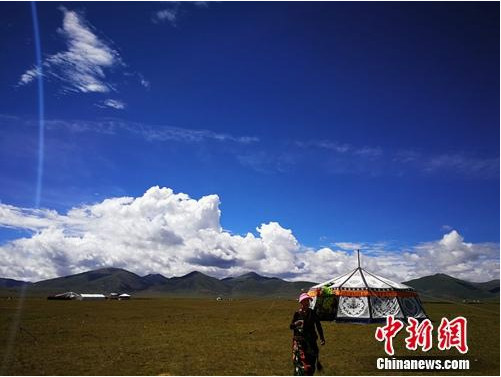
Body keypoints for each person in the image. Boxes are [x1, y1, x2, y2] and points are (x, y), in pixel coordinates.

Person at [290, 293, 325, 375]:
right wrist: (296, 324)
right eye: (305, 301)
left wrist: (322, 338)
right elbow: (291, 327)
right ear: (301, 302)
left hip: (311, 342)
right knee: (300, 364)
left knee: (311, 363)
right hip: (299, 344)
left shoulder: (312, 313)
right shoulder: (297, 314)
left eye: (308, 301)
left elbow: (318, 325)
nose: (307, 303)